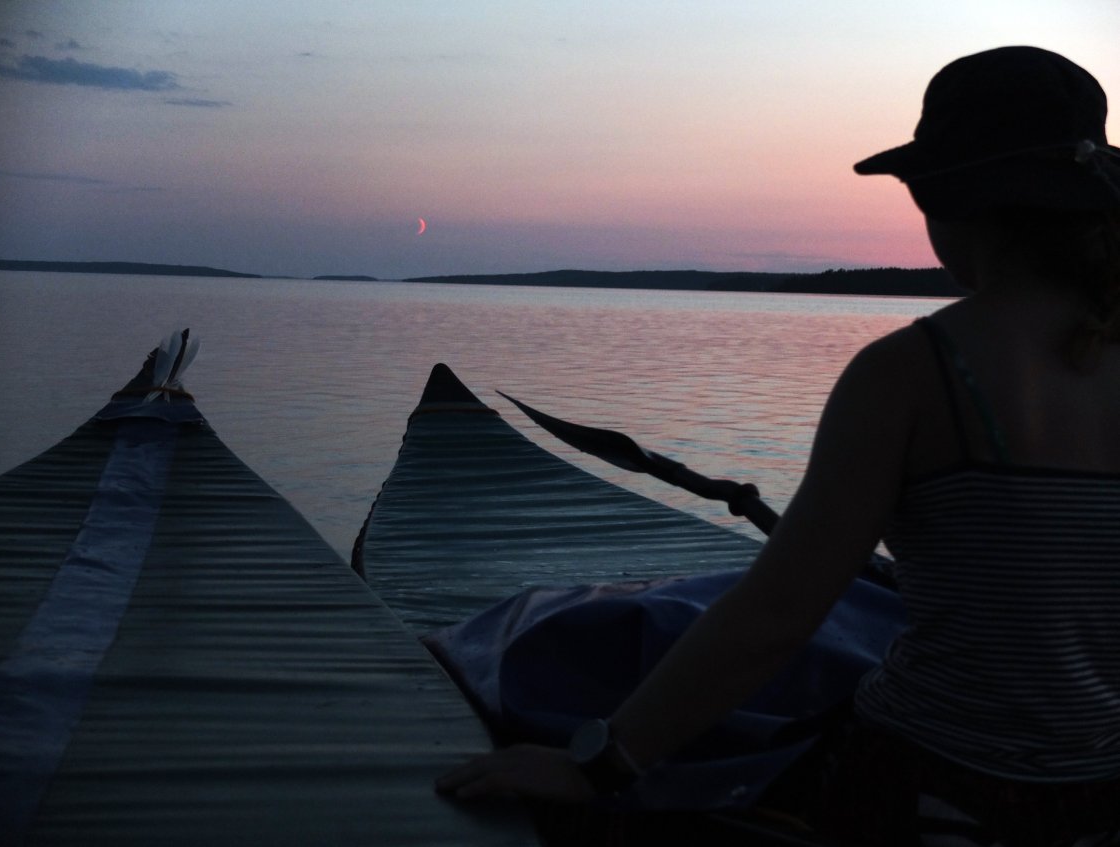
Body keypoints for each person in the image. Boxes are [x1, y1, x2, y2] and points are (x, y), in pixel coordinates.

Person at [437, 46, 1120, 845]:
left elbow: (778, 614)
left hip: (928, 783)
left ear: (947, 200)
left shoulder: (913, 372)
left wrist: (598, 765)